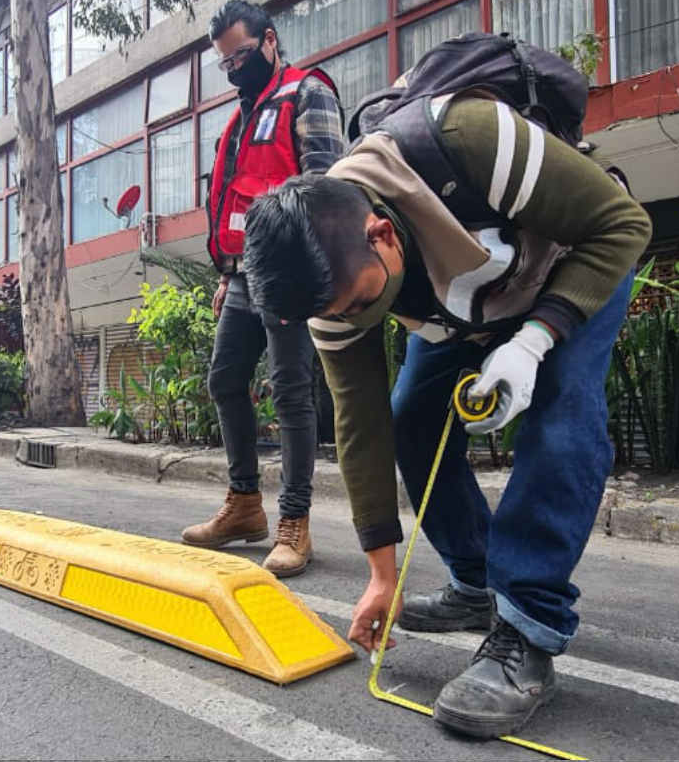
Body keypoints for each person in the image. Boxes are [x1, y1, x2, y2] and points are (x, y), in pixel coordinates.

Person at [241, 93, 651, 735]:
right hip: (461, 307)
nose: (350, 323)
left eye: (357, 303)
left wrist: (536, 339)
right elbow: (361, 425)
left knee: (563, 415)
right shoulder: (333, 283)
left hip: (574, 261)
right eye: (335, 314)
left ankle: (528, 631)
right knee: (410, 420)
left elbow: (623, 225)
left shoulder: (469, 140)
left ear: (381, 232)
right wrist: (382, 574)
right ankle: (476, 583)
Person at [181, 0, 345, 578]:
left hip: (291, 271)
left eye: (243, 55)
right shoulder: (241, 116)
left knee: (291, 391)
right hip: (244, 273)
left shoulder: (306, 93)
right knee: (225, 378)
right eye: (225, 63)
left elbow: (328, 186)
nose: (234, 70)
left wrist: (300, 269)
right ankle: (244, 504)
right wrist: (228, 276)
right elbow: (232, 202)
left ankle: (293, 522)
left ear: (271, 42)